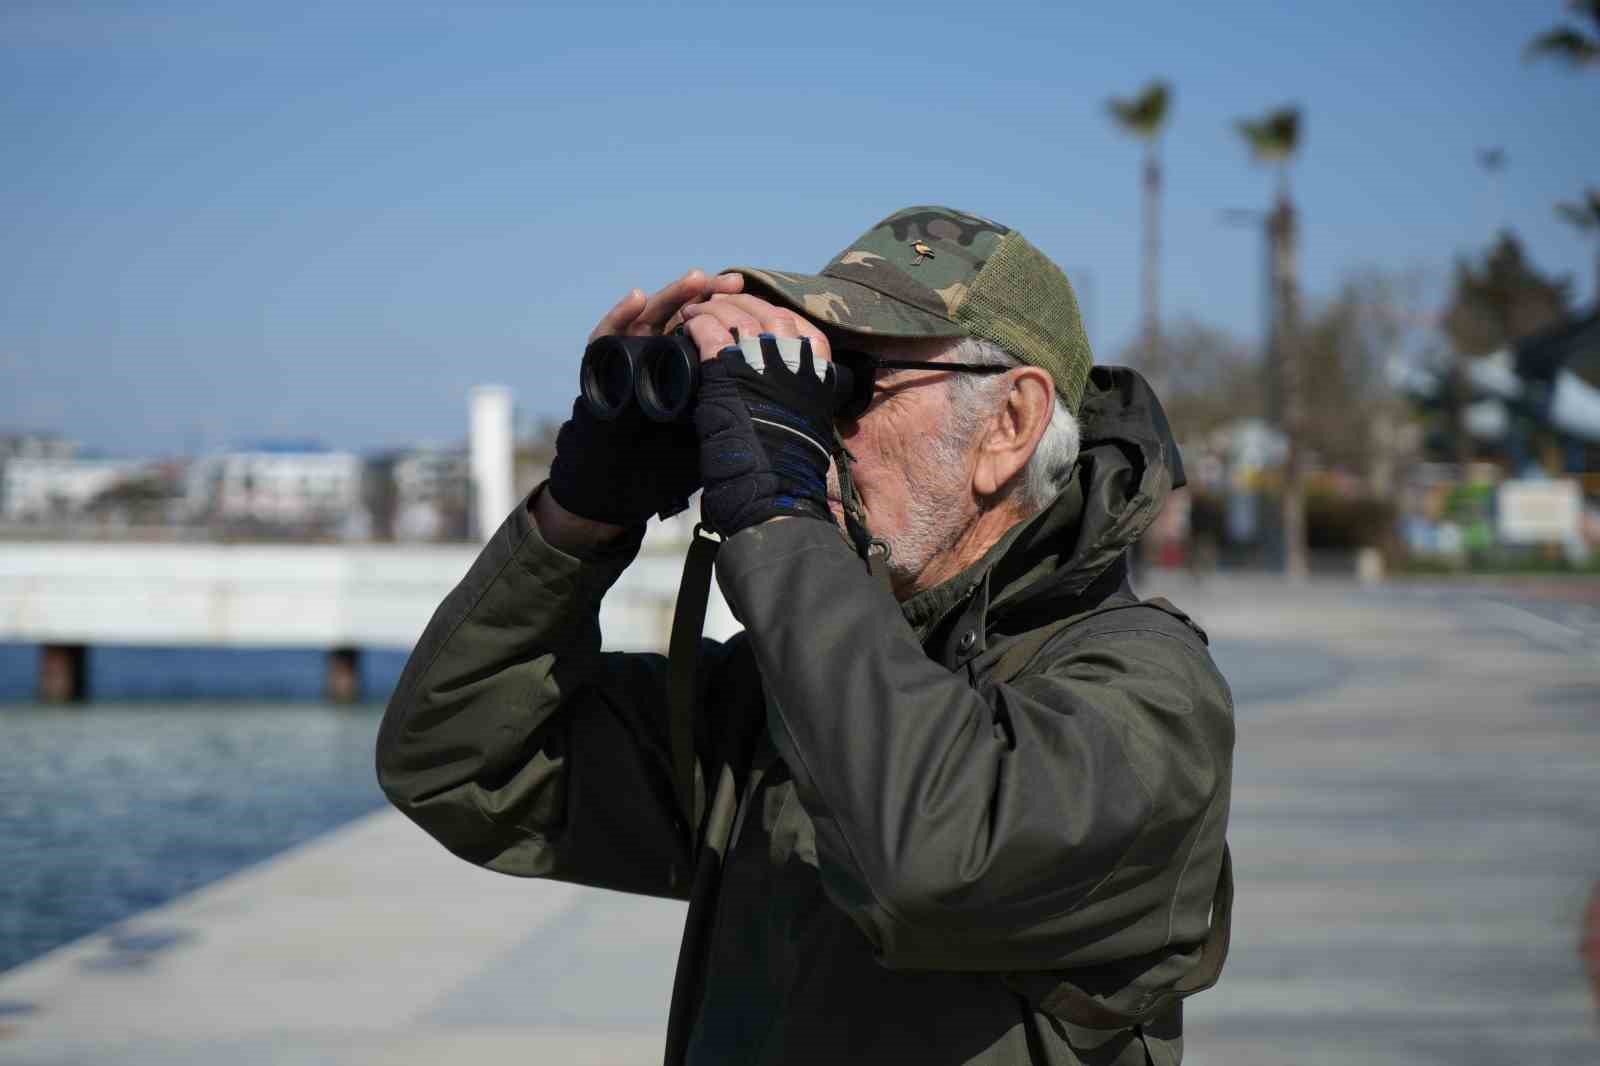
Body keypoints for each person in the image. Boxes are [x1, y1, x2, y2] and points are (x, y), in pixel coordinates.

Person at [375, 205, 1234, 1066]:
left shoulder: (1148, 695)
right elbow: (457, 758)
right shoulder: (775, 700)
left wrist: (784, 520)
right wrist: (582, 515)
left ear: (1009, 425)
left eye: (851, 383)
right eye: (806, 382)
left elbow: (933, 855)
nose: (818, 423)